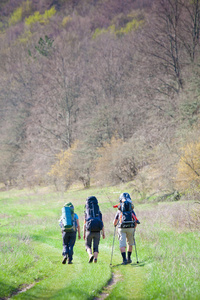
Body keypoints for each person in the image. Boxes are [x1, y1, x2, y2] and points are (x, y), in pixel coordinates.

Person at [113, 193, 139, 265]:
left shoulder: (119, 210)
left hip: (121, 228)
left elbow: (114, 222)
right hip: (131, 228)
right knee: (130, 243)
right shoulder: (131, 210)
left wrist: (115, 225)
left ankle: (124, 260)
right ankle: (129, 258)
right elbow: (136, 221)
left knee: (122, 244)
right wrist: (134, 228)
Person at [83, 196, 105, 263]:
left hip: (89, 231)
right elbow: (102, 223)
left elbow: (84, 224)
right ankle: (95, 259)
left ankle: (90, 255)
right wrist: (103, 233)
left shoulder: (87, 212)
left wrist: (84, 233)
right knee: (96, 247)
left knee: (87, 245)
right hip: (97, 232)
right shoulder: (99, 212)